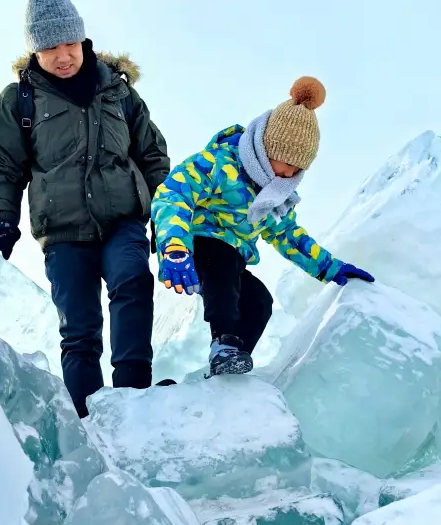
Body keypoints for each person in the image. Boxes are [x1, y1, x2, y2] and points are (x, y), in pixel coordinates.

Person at [0, 0, 170, 416]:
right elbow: (1, 163)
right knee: (78, 331)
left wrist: (168, 217)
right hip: (63, 232)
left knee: (132, 283)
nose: (63, 56)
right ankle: (88, 418)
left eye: (69, 43)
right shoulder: (18, 101)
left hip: (123, 218)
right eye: (50, 47)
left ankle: (134, 397)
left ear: (82, 39)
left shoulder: (117, 91)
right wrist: (2, 222)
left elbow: (151, 154)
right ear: (34, 52)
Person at [151, 77, 374, 376]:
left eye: (297, 169)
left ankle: (229, 368)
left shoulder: (274, 195)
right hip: (196, 244)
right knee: (223, 260)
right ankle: (224, 345)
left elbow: (290, 238)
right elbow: (173, 194)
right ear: (265, 146)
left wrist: (333, 268)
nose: (288, 173)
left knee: (259, 301)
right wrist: (174, 246)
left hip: (231, 260)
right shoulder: (219, 163)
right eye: (284, 162)